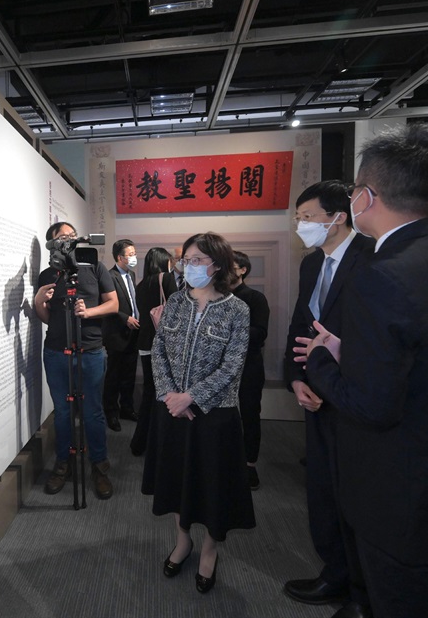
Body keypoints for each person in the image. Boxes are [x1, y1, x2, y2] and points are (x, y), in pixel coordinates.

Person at [300, 123, 428, 618]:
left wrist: (322, 360)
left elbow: (372, 405)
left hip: (401, 490)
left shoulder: (383, 275)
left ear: (366, 196)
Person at [142, 232, 255, 594]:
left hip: (214, 415)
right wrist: (169, 395)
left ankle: (209, 549)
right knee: (177, 480)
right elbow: (158, 351)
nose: (187, 267)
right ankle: (182, 540)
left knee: (212, 485)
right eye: (184, 261)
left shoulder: (238, 309)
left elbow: (233, 366)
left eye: (195, 261)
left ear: (217, 265)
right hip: (173, 410)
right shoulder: (175, 302)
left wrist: (192, 397)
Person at [282, 180, 375, 618]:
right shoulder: (311, 264)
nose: (300, 225)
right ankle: (335, 573)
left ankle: (363, 593)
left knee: (360, 495)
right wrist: (297, 377)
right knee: (323, 490)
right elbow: (302, 323)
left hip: (358, 398)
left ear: (338, 217)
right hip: (316, 393)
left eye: (307, 217)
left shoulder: (373, 259)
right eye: (298, 217)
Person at [35, 221, 118, 499]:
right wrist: (38, 302)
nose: (70, 239)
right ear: (52, 243)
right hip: (57, 351)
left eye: (72, 235)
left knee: (93, 411)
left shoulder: (95, 266)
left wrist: (89, 313)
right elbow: (47, 317)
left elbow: (114, 304)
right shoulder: (48, 274)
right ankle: (63, 463)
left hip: (91, 350)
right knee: (63, 412)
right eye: (63, 236)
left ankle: (99, 465)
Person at [130, 246, 177, 456]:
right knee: (164, 392)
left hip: (144, 342)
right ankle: (159, 443)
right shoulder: (165, 278)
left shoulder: (141, 285)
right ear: (164, 261)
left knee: (150, 390)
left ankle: (139, 442)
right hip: (162, 342)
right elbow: (177, 306)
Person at [229, 250, 269, 490]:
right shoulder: (216, 297)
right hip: (219, 368)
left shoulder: (255, 298)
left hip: (248, 367)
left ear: (243, 270)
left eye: (231, 266)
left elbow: (260, 334)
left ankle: (250, 464)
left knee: (250, 415)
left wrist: (229, 331)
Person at [101, 238, 140, 431]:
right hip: (117, 333)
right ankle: (111, 412)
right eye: (130, 254)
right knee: (114, 376)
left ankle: (127, 408)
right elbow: (108, 305)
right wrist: (125, 318)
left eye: (134, 253)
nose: (134, 257)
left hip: (133, 333)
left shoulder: (131, 275)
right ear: (119, 257)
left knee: (129, 374)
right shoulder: (109, 276)